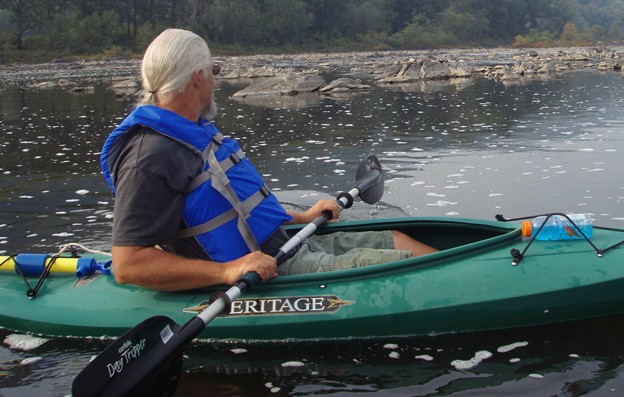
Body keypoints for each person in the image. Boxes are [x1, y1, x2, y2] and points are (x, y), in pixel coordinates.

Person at [101, 28, 436, 291]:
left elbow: (239, 211)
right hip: (272, 268)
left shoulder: (194, 134)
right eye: (214, 70)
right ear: (198, 77)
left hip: (290, 242)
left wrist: (301, 216)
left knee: (398, 239)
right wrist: (227, 270)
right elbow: (129, 264)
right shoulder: (148, 156)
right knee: (401, 263)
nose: (215, 80)